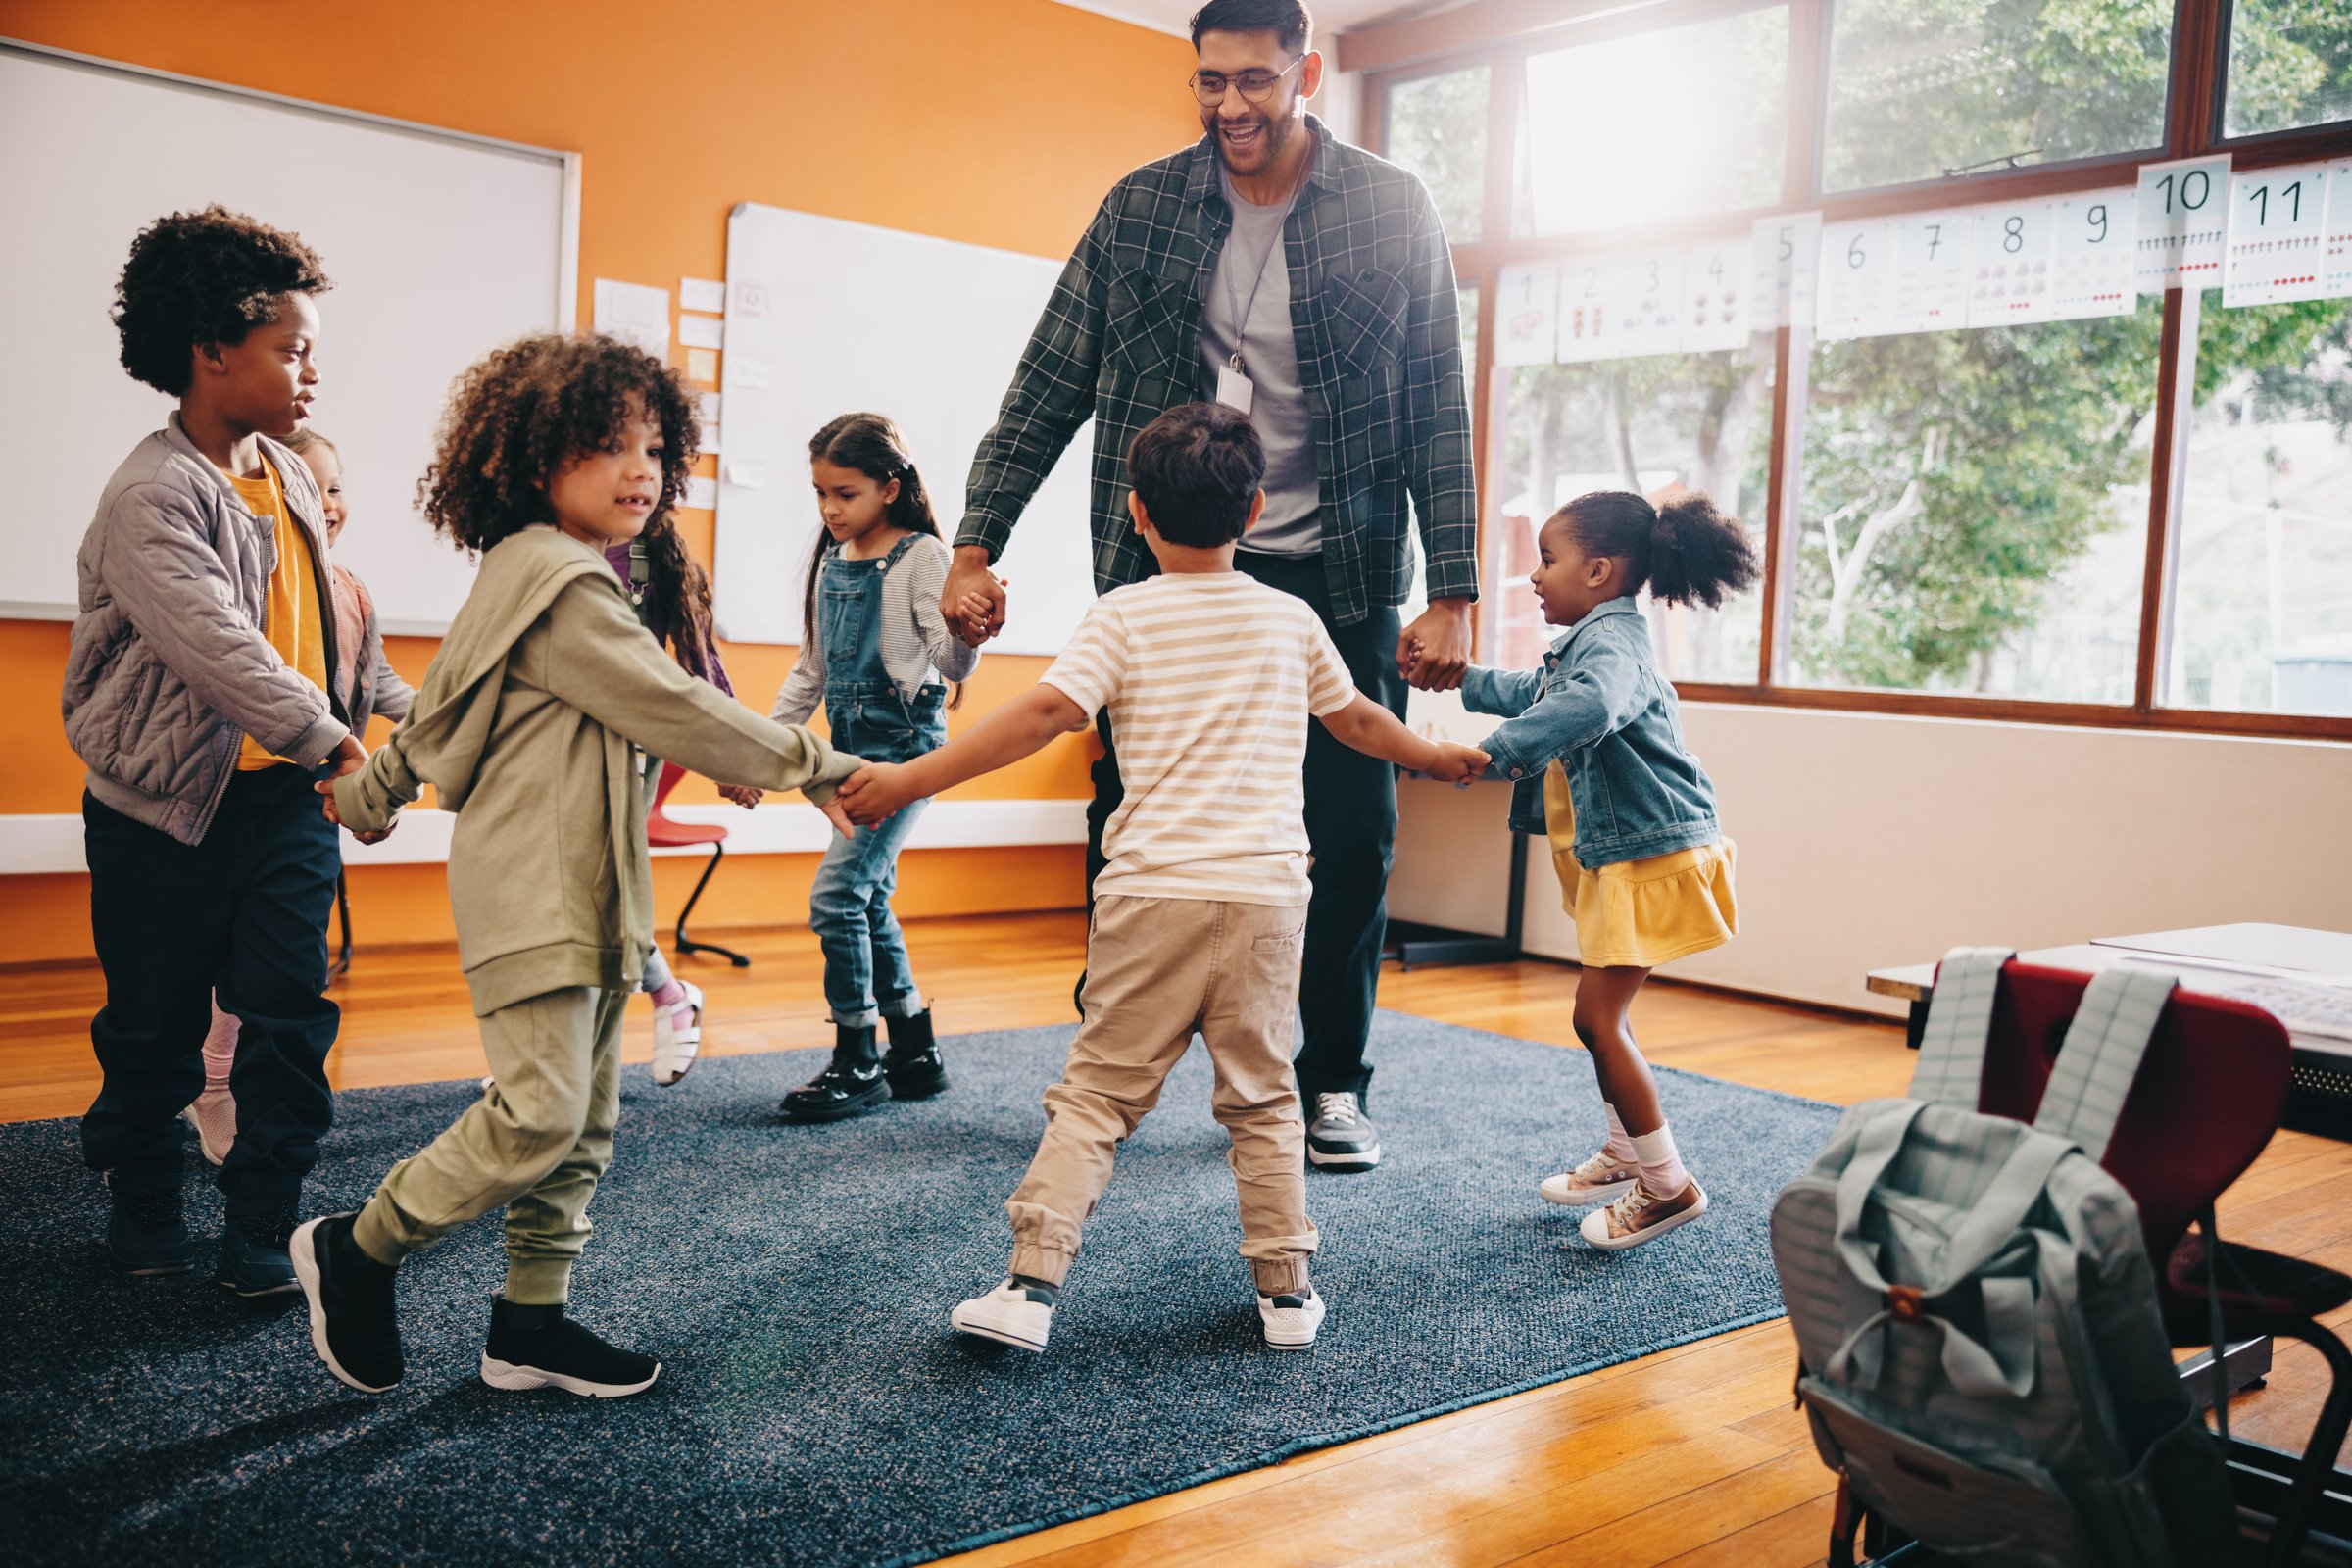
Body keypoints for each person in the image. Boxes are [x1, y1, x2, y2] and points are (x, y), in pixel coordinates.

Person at [942, 0, 1480, 1173]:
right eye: (1208, 83)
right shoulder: (1141, 206)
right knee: (1128, 814)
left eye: (1253, 80)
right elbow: (1046, 383)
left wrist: (1453, 585)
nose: (1230, 105)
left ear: (1309, 73)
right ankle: (1111, 1063)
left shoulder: (1392, 210)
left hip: (1333, 567)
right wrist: (977, 539)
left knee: (1352, 828)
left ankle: (1330, 1079)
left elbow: (1439, 400)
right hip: (1170, 559)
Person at [839, 404, 1487, 1353]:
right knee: (1266, 1099)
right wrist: (1435, 755)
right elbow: (1356, 723)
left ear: (1136, 512)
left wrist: (906, 777)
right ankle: (1287, 1295)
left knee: (1098, 1096)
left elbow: (1044, 714)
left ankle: (1030, 1287)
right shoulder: (1289, 616)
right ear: (1257, 508)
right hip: (1268, 898)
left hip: (1153, 894)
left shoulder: (1123, 613)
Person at [289, 333, 861, 1398]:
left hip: (593, 881)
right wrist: (818, 764)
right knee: (544, 1109)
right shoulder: (559, 586)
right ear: (533, 461)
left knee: (583, 1119)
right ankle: (359, 1247)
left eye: (652, 445)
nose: (639, 469)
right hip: (533, 883)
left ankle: (531, 1325)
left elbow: (445, 711)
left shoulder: (544, 573)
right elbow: (676, 705)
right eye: (607, 446)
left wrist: (372, 792)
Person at [64, 206, 367, 1297]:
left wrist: (399, 712)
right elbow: (221, 649)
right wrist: (340, 750)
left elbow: (319, 634)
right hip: (161, 812)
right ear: (209, 352)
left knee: (289, 1020)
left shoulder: (287, 476)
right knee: (153, 1028)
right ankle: (144, 1200)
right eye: (292, 351)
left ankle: (261, 1222)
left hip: (280, 802)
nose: (308, 374)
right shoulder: (151, 494)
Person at [1459, 490, 1756, 1251]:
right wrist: (1459, 679)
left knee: (1597, 1020)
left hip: (1649, 855)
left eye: (1547, 562)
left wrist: (1492, 754)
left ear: (1597, 570)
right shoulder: (1597, 637)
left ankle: (1666, 1185)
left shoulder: (1612, 648)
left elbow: (1588, 705)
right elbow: (1544, 690)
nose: (1533, 577)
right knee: (1605, 1021)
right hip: (1631, 853)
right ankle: (1628, 1156)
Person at [183, 425, 415, 1165]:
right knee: (219, 957)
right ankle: (209, 1085)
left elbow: (379, 688)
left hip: (307, 795)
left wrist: (461, 715)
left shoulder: (352, 592)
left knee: (282, 968)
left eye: (337, 487)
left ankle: (237, 1094)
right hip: (223, 790)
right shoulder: (240, 586)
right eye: (307, 489)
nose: (328, 504)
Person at [770, 414, 978, 1122]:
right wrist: (763, 751)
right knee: (867, 895)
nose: (830, 509)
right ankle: (914, 1050)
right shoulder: (833, 559)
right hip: (849, 755)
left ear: (890, 488)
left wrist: (970, 634)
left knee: (837, 899)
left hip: (904, 755)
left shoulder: (922, 557)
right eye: (821, 494)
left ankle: (858, 1058)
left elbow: (949, 665)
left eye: (846, 493)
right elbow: (812, 672)